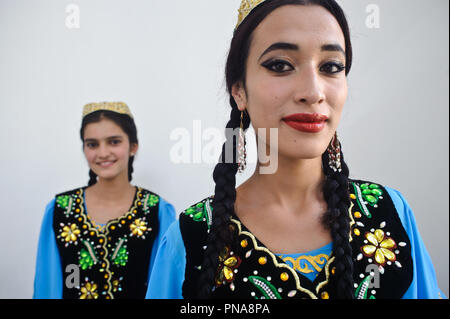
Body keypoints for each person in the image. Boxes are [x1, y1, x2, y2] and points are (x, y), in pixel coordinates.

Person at [147, 0, 445, 299]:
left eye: (331, 67)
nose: (313, 92)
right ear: (239, 90)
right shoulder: (191, 236)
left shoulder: (389, 213)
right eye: (280, 65)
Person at [34, 102, 176, 299]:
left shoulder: (156, 210)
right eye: (92, 144)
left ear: (133, 146)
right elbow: (47, 288)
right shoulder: (60, 209)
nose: (102, 153)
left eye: (114, 142)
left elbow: (163, 289)